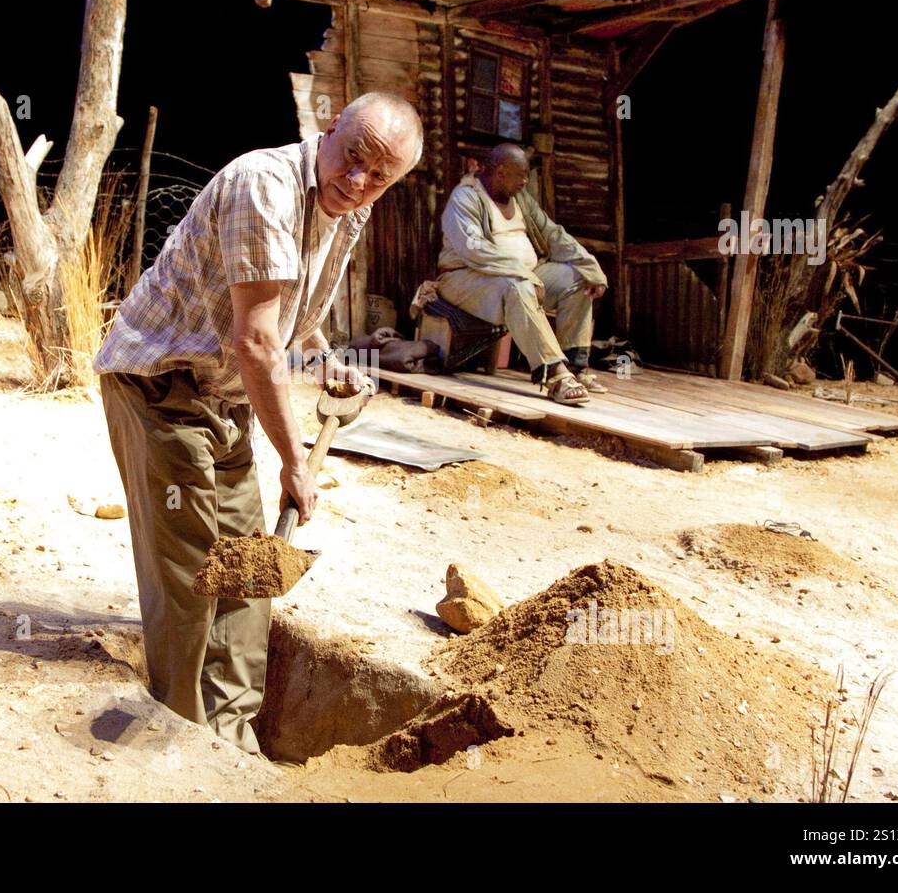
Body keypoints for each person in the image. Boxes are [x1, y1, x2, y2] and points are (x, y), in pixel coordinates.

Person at [92, 93, 423, 753]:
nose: (357, 182)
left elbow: (290, 308)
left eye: (377, 177)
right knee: (189, 569)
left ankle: (234, 735)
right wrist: (295, 459)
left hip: (225, 397)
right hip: (160, 384)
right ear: (328, 131)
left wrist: (324, 356)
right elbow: (257, 342)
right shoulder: (265, 185)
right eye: (352, 158)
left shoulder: (347, 209)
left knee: (248, 571)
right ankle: (182, 734)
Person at [437, 143, 609, 405]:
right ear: (502, 172)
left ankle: (575, 367)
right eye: (522, 174)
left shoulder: (522, 199)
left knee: (576, 279)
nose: (526, 181)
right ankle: (556, 376)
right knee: (518, 286)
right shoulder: (465, 198)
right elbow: (475, 251)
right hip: (466, 277)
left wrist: (590, 267)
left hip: (524, 275)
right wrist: (524, 275)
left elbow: (553, 234)